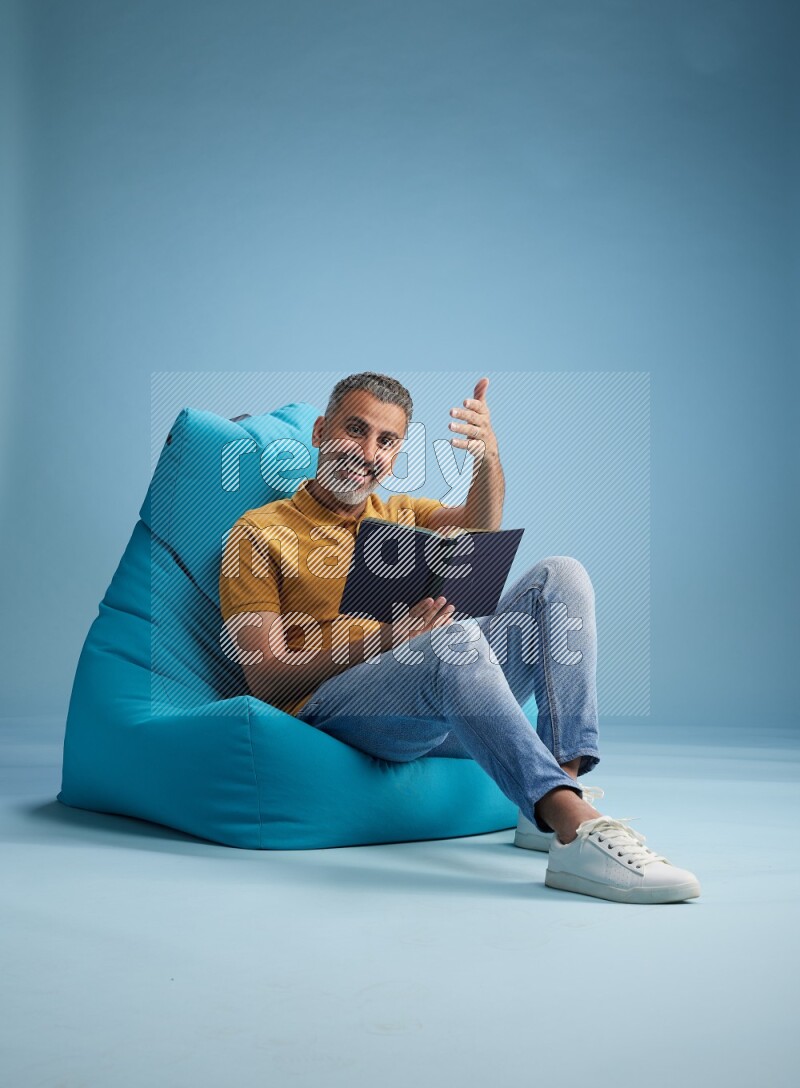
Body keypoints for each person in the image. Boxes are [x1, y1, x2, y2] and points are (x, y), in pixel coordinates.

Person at [219, 371, 700, 905]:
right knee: (457, 642)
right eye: (354, 431)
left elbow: (481, 529)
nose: (367, 452)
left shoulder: (399, 514)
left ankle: (551, 800)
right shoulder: (258, 531)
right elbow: (262, 674)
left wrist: (488, 459)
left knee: (560, 575)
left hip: (436, 699)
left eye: (386, 441)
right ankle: (575, 824)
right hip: (333, 713)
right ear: (318, 431)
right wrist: (385, 640)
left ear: (398, 452)